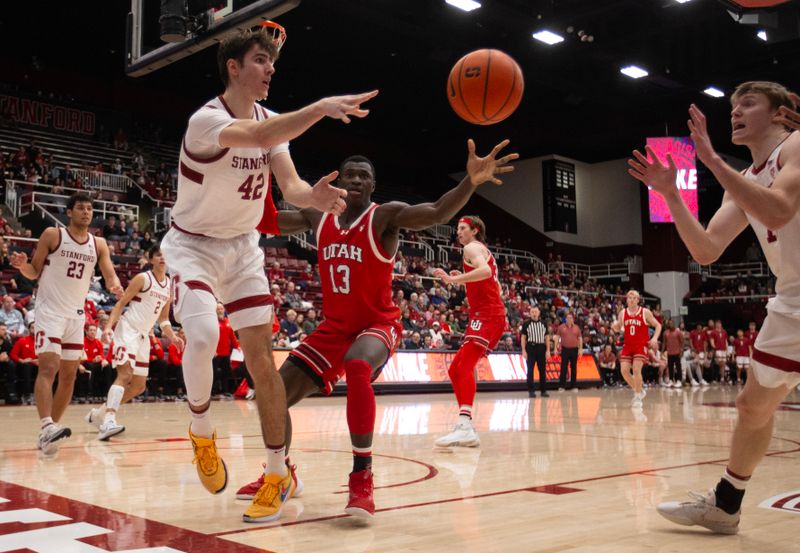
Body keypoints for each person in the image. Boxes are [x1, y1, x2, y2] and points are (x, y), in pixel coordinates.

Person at [158, 22, 376, 523]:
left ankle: (279, 471)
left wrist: (313, 198)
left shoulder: (270, 118)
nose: (270, 70)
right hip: (193, 246)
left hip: (243, 249)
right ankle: (201, 430)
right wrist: (321, 107)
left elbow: (291, 186)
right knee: (204, 331)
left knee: (262, 359)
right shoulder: (205, 122)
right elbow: (257, 136)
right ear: (233, 67)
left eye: (273, 62)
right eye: (260, 60)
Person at [234, 139, 517, 518]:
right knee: (274, 395)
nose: (354, 179)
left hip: (378, 324)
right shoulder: (317, 217)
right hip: (334, 327)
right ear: (337, 180)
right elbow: (265, 220)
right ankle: (281, 473)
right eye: (348, 173)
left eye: (362, 176)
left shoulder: (384, 217)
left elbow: (435, 211)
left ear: (372, 185)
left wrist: (471, 182)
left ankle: (362, 476)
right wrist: (251, 178)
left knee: (357, 366)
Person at [628, 81, 800, 534]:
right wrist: (670, 194)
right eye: (732, 106)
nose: (735, 112)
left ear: (781, 114)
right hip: (793, 301)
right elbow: (705, 249)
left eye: (748, 103)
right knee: (752, 405)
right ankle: (726, 505)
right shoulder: (741, 182)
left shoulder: (797, 147)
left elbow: (780, 209)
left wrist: (712, 161)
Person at [10, 192, 122, 453]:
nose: (86, 212)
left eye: (90, 209)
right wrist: (23, 266)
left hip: (76, 315)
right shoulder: (53, 234)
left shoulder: (100, 244)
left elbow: (110, 276)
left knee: (69, 376)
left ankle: (51, 432)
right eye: (80, 208)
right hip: (50, 312)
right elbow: (34, 271)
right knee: (48, 368)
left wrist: (115, 286)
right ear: (69, 212)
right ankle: (46, 425)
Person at [85, 245, 182, 440]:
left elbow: (163, 320)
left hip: (144, 336)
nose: (163, 258)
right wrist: (107, 328)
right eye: (158, 255)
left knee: (138, 386)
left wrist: (173, 337)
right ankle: (109, 421)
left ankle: (99, 414)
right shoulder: (143, 278)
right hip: (127, 330)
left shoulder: (169, 285)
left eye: (165, 255)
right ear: (151, 259)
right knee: (125, 373)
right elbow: (121, 303)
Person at [432, 214, 510, 448]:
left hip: (487, 315)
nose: (458, 232)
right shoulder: (481, 249)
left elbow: (485, 272)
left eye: (463, 228)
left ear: (475, 230)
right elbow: (495, 286)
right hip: (487, 314)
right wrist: (465, 280)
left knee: (459, 367)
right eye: (458, 228)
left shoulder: (472, 248)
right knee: (459, 369)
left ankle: (466, 426)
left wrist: (453, 280)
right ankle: (465, 425)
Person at [610, 290, 661, 408]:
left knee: (637, 370)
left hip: (640, 345)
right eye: (629, 298)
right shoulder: (622, 313)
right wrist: (615, 327)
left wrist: (654, 338)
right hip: (628, 345)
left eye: (634, 298)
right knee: (624, 371)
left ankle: (637, 396)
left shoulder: (645, 312)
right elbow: (618, 328)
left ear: (638, 300)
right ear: (626, 299)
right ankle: (639, 390)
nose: (631, 300)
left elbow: (658, 325)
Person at [520, 306, 550, 397]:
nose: (534, 313)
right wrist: (523, 350)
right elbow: (523, 337)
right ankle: (531, 390)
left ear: (539, 313)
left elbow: (547, 337)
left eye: (535, 312)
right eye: (532, 312)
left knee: (542, 370)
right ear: (530, 313)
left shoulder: (544, 323)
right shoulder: (526, 324)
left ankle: (543, 390)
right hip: (530, 347)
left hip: (541, 347)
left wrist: (548, 350)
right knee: (530, 370)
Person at [553, 312, 582, 392]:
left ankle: (574, 386)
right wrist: (555, 348)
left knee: (574, 368)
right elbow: (557, 337)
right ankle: (562, 386)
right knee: (563, 368)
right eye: (568, 318)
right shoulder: (561, 327)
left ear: (573, 319)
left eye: (571, 318)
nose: (569, 319)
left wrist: (580, 349)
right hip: (565, 349)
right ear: (565, 319)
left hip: (574, 349)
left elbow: (580, 338)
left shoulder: (577, 327)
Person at [662, 320, 684, 387]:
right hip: (670, 353)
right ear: (668, 325)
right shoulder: (665, 333)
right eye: (669, 323)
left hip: (677, 352)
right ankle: (671, 380)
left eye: (672, 323)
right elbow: (664, 343)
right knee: (670, 367)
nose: (670, 324)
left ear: (674, 324)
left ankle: (679, 381)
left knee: (678, 367)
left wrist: (681, 351)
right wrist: (662, 351)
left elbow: (682, 342)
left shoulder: (678, 332)